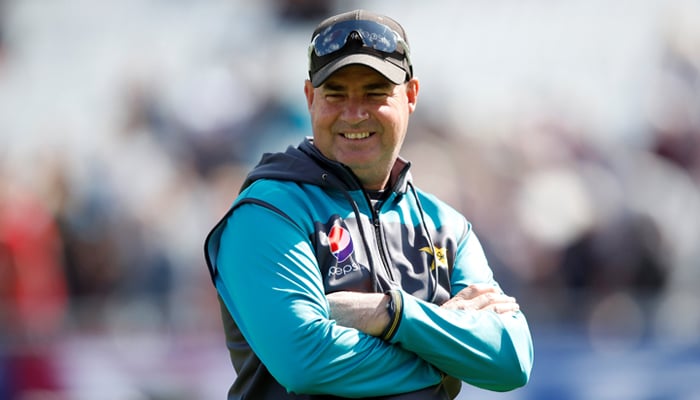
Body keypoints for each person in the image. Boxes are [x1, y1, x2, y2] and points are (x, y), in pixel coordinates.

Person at [204, 9, 534, 399]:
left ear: (411, 96)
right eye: (336, 94)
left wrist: (389, 314)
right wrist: (447, 353)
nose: (354, 113)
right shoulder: (267, 213)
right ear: (310, 98)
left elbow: (511, 360)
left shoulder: (446, 225)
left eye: (375, 93)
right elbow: (306, 361)